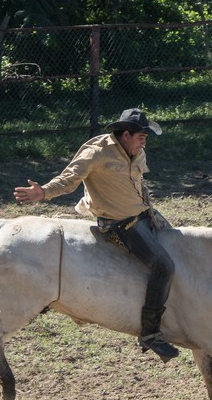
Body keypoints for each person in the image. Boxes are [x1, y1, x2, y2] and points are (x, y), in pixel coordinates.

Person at [13, 108, 179, 361]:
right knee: (163, 267)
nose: (144, 140)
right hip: (121, 223)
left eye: (145, 135)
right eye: (141, 135)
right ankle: (150, 333)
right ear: (125, 134)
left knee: (178, 246)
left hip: (144, 214)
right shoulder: (96, 152)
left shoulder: (136, 151)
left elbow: (136, 183)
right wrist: (43, 192)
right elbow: (69, 179)